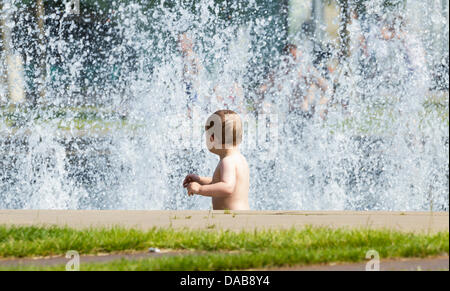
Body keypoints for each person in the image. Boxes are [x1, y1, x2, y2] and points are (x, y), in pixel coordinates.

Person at [183, 110, 250, 210]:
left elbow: (227, 187)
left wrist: (200, 189)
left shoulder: (227, 162)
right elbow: (218, 183)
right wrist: (200, 180)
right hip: (239, 214)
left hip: (232, 217)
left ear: (212, 138)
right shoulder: (240, 159)